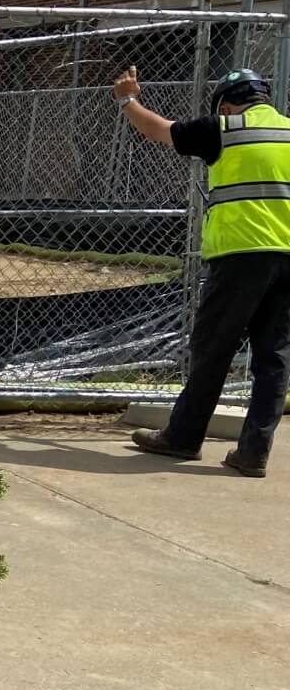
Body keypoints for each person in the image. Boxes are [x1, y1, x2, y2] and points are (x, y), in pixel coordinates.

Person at [117, 66, 290, 477]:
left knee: (213, 349)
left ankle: (183, 437)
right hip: (289, 256)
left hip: (241, 254)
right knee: (275, 359)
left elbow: (160, 131)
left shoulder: (224, 128)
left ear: (228, 103)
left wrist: (127, 99)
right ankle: (253, 452)